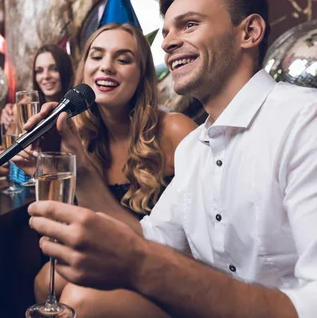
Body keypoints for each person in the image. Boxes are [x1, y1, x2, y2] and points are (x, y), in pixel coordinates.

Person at [25, 0, 317, 317]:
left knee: (83, 302)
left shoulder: (316, 121)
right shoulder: (195, 147)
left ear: (249, 32)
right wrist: (82, 169)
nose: (167, 42)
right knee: (58, 286)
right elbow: (150, 240)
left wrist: (141, 265)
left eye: (189, 24)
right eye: (165, 32)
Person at [16, 23, 197, 316]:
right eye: (96, 56)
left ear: (142, 75)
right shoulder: (77, 136)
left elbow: (195, 245)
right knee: (43, 282)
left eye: (123, 59)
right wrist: (46, 167)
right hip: (113, 266)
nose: (106, 67)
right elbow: (68, 229)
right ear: (84, 70)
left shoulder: (175, 130)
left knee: (76, 298)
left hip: (172, 277)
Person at [0, 44, 75, 181]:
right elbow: (3, 169)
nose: (45, 76)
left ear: (65, 71)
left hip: (67, 188)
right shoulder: (24, 108)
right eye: (39, 71)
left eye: (54, 69)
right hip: (30, 190)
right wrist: (11, 163)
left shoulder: (77, 113)